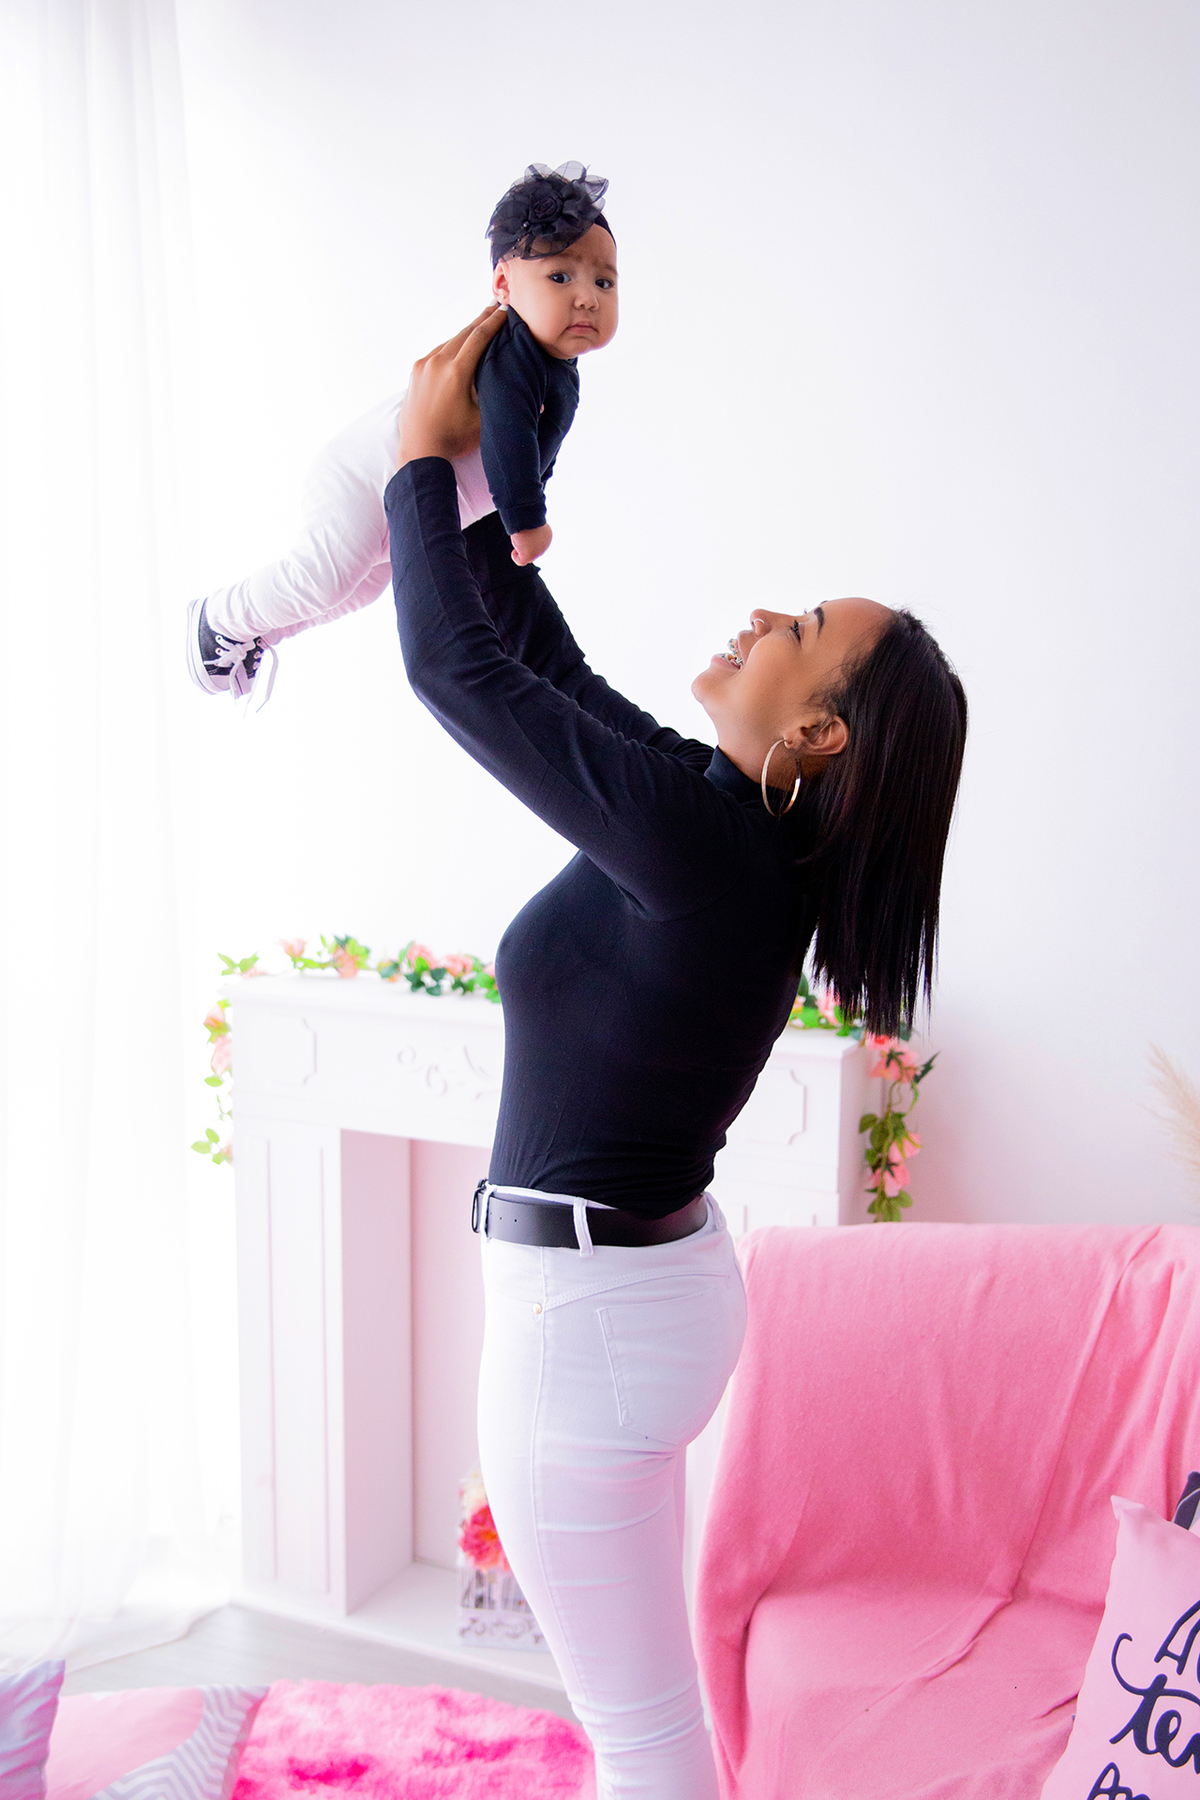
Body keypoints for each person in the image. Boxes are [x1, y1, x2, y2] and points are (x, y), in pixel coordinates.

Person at [386, 305, 969, 1799]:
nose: (762, 617)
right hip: (627, 1298)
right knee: (643, 1720)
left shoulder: (713, 850)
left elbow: (454, 677)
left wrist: (408, 462)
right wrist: (499, 463)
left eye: (803, 631)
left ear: (827, 732)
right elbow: (532, 662)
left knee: (642, 1735)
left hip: (591, 1326)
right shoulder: (725, 832)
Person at [185, 162, 617, 703]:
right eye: (561, 276)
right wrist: (527, 523)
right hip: (368, 474)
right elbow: (509, 443)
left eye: (604, 280)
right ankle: (219, 615)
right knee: (327, 576)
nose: (588, 297)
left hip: (407, 491)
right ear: (504, 284)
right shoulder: (517, 356)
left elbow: (534, 450)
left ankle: (253, 632)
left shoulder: (555, 366)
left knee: (363, 583)